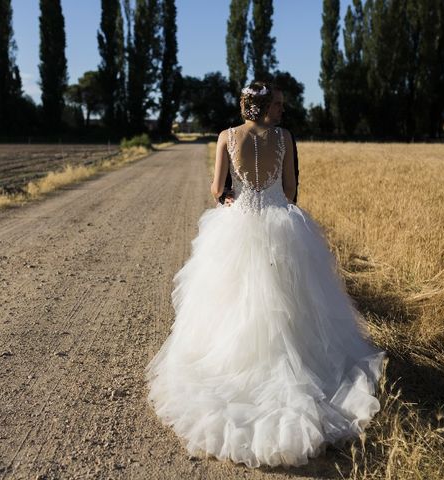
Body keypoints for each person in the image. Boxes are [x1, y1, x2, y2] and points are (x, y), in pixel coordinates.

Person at [144, 80, 386, 469]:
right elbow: (289, 190)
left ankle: (234, 372)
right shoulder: (285, 138)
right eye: (277, 104)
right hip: (280, 225)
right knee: (293, 304)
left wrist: (230, 196)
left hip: (238, 222)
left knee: (233, 304)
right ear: (262, 106)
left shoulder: (225, 137)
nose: (281, 110)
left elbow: (216, 187)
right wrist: (273, 197)